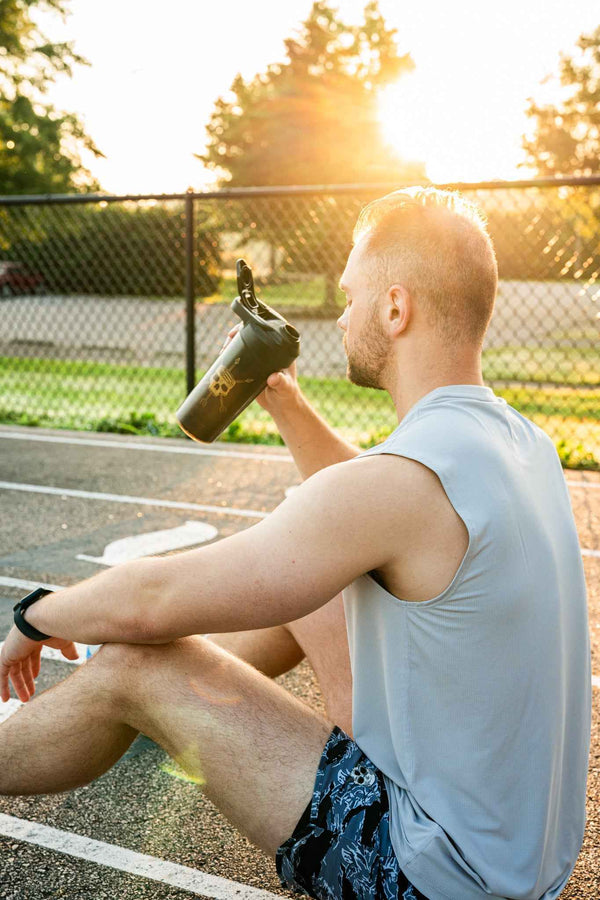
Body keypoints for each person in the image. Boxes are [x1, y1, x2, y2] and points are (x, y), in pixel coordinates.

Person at [0, 187, 591, 900]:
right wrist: (281, 394)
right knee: (319, 578)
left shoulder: (399, 483)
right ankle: (153, 725)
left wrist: (36, 614)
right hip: (522, 862)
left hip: (432, 873)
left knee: (135, 662)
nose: (341, 317)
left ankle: (133, 705)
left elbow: (154, 601)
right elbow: (362, 510)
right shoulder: (518, 442)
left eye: (350, 297)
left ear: (395, 309)